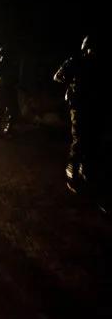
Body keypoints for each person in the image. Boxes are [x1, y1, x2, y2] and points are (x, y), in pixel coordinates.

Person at [53, 34, 107, 197]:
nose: (92, 52)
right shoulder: (76, 62)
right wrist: (71, 86)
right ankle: (72, 173)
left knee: (93, 139)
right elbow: (57, 76)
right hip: (80, 105)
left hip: (95, 105)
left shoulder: (99, 64)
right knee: (80, 139)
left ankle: (86, 171)